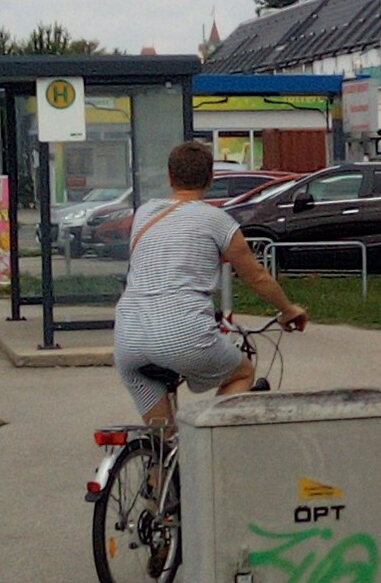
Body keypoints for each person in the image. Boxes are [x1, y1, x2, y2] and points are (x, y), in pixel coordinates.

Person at [114, 141, 306, 423]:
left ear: (169, 177)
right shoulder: (217, 221)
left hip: (128, 337)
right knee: (242, 371)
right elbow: (256, 276)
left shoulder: (145, 213)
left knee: (162, 441)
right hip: (181, 334)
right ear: (210, 179)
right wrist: (288, 310)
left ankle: (161, 461)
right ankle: (204, 439)